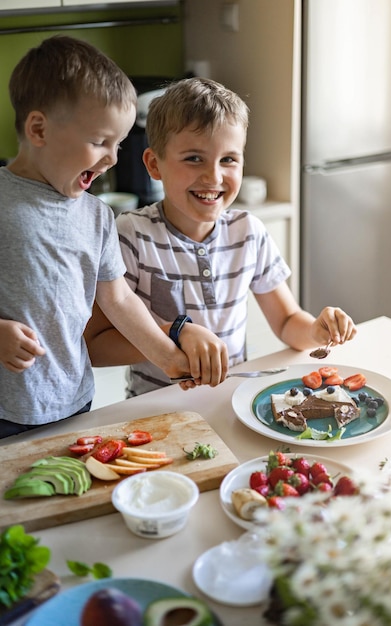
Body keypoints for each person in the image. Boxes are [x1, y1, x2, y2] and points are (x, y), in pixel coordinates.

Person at [0, 39, 228, 438]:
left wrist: (167, 357)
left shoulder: (97, 215)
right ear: (39, 129)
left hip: (74, 403)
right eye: (99, 141)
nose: (112, 158)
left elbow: (118, 299)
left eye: (118, 144)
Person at [85, 77, 357, 397]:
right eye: (193, 158)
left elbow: (286, 322)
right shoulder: (131, 235)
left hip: (232, 400)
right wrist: (175, 335)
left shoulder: (248, 232)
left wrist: (316, 330)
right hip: (156, 410)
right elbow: (96, 346)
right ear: (154, 164)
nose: (213, 177)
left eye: (228, 159)